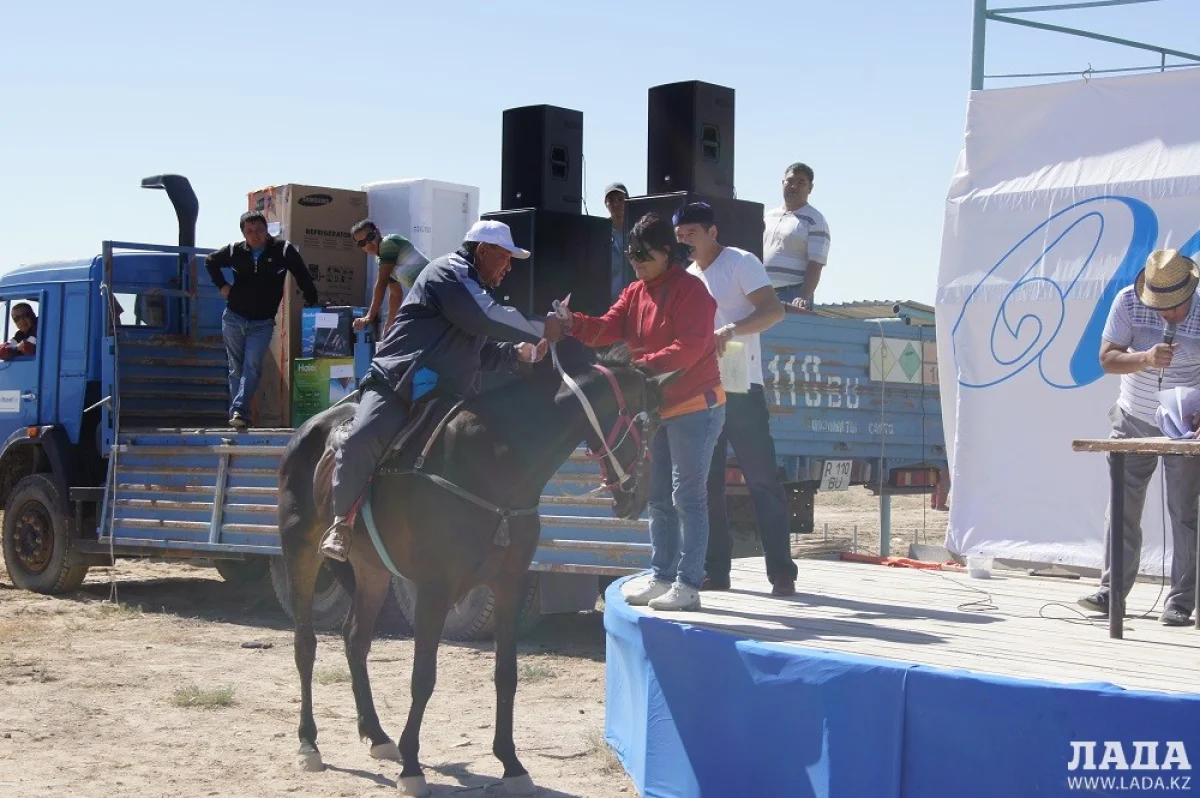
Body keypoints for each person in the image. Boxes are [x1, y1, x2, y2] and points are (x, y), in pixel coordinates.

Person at [319, 220, 564, 562]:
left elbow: (480, 350)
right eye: (505, 258)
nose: (508, 267)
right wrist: (543, 326)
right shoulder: (448, 272)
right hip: (397, 384)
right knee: (363, 436)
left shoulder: (472, 288)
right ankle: (341, 523)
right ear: (483, 250)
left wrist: (516, 353)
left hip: (443, 394)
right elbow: (485, 316)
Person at [561, 212, 725, 612]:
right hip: (658, 411)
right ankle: (662, 576)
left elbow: (689, 348)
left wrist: (640, 367)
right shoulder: (635, 292)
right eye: (628, 251)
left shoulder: (693, 292)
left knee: (687, 496)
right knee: (657, 497)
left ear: (668, 253)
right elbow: (603, 328)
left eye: (642, 253)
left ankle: (688, 583)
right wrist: (570, 323)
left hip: (695, 407)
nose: (634, 259)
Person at [673, 202, 799, 597]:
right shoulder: (688, 276)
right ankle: (716, 571)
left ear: (712, 232)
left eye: (691, 235)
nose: (685, 244)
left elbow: (774, 311)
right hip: (702, 389)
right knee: (707, 485)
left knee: (762, 479)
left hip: (741, 383)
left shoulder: (741, 262)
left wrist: (731, 329)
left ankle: (782, 571)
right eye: (679, 238)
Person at [1078, 249, 1200, 627]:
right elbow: (1106, 359)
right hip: (1132, 417)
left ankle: (1180, 602)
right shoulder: (1127, 302)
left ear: (1189, 293)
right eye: (1161, 308)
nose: (1169, 316)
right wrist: (1145, 358)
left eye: (1176, 308)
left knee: (1184, 513)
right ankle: (1111, 591)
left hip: (1184, 426)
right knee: (1122, 510)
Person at [206, 210, 319, 428]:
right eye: (250, 231)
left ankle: (239, 409)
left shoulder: (283, 250)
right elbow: (210, 262)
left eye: (259, 229)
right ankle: (241, 415)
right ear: (243, 233)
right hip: (233, 318)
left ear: (267, 230)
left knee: (253, 365)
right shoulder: (234, 251)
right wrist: (222, 286)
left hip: (262, 322)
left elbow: (302, 275)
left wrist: (312, 300)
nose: (255, 235)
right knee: (235, 368)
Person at [763, 163, 830, 309]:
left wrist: (803, 296)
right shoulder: (768, 216)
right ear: (783, 183)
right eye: (790, 181)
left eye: (801, 183)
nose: (794, 186)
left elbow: (816, 263)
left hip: (792, 296)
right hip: (763, 293)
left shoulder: (815, 220)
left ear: (810, 188)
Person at [350, 219, 431, 335]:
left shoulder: (387, 243)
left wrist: (369, 317)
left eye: (370, 237)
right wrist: (388, 327)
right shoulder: (382, 259)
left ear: (377, 232)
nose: (368, 244)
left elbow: (381, 283)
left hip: (436, 291)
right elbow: (395, 295)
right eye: (362, 243)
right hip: (430, 295)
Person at [604, 182, 633, 303]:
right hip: (608, 301)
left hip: (634, 300)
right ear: (605, 204)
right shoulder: (601, 231)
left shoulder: (638, 231)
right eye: (611, 200)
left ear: (628, 201)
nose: (616, 203)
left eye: (620, 199)